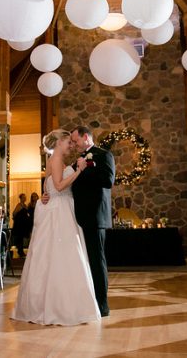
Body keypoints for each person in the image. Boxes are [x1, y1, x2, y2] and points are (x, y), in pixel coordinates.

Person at [12, 129, 100, 325]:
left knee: (54, 256)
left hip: (58, 207)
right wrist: (79, 170)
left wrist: (46, 195)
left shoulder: (52, 161)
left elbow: (47, 186)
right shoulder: (57, 161)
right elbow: (59, 186)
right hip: (60, 210)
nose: (70, 145)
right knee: (65, 255)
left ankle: (50, 304)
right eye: (68, 142)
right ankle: (62, 307)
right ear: (59, 142)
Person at [70, 125, 115, 317]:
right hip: (79, 217)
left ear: (86, 137)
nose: (74, 144)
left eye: (76, 140)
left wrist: (84, 169)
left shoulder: (104, 155)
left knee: (97, 261)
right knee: (85, 262)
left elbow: (108, 180)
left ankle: (102, 306)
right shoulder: (77, 161)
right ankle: (88, 301)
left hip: (95, 217)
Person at [12, 193, 30, 257]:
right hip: (19, 225)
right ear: (20, 198)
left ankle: (21, 251)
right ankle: (20, 251)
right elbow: (14, 213)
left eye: (25, 197)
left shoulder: (25, 205)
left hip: (23, 224)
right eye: (23, 197)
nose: (24, 198)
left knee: (21, 238)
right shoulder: (19, 205)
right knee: (20, 238)